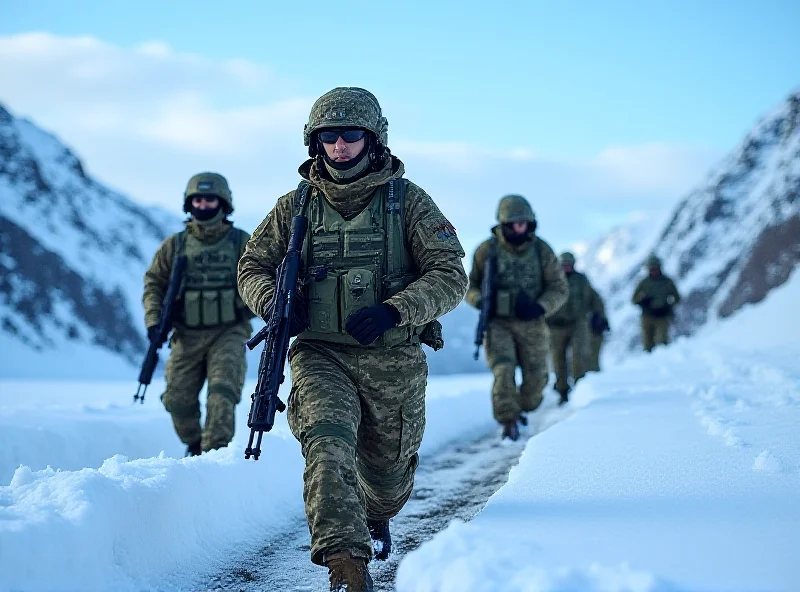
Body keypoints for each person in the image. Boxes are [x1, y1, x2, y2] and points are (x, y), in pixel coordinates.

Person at [237, 87, 467, 592]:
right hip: (320, 353)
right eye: (328, 136)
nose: (339, 146)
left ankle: (374, 512)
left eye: (350, 136)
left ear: (373, 139)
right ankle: (345, 564)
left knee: (385, 485)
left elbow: (450, 274)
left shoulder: (407, 202)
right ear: (313, 142)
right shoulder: (294, 206)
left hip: (391, 358)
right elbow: (252, 266)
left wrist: (394, 311)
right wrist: (276, 303)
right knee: (326, 441)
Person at [143, 172, 253, 456]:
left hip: (229, 331)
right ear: (189, 203)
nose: (204, 205)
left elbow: (261, 275)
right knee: (177, 399)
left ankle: (214, 456)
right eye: (198, 199)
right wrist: (154, 321)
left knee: (222, 393)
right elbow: (154, 283)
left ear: (224, 203)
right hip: (187, 333)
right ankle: (195, 445)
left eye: (210, 199)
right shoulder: (175, 245)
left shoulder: (242, 242)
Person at [465, 195, 568, 440]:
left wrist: (540, 307)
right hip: (498, 324)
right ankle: (508, 421)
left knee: (536, 380)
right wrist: (480, 301)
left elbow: (559, 288)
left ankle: (522, 409)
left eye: (523, 222)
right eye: (513, 223)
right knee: (503, 370)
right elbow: (470, 287)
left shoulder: (542, 251)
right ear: (503, 224)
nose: (519, 228)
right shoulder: (486, 251)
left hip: (532, 323)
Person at [546, 252, 601, 404]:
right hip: (555, 326)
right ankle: (562, 390)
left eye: (569, 265)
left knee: (579, 355)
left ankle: (579, 388)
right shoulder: (550, 281)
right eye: (564, 265)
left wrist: (599, 316)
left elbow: (594, 298)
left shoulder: (581, 280)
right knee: (558, 359)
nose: (566, 267)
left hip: (578, 323)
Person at [631, 254, 681, 352]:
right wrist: (643, 302)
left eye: (655, 268)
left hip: (662, 317)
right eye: (651, 268)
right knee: (647, 345)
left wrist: (668, 307)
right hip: (647, 316)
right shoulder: (644, 283)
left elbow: (677, 298)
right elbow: (634, 299)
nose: (653, 271)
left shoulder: (667, 282)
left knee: (662, 343)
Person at [587, 286, 610, 372]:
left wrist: (602, 321)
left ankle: (592, 377)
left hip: (594, 329)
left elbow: (600, 307)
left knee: (593, 357)